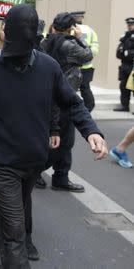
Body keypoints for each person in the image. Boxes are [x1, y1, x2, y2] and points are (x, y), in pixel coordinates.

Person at [0, 4, 107, 269]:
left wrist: (91, 131)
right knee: (15, 232)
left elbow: (72, 102)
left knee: (11, 218)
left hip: (33, 161)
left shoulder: (49, 67)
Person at [39, 12, 93, 192]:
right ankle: (36, 170)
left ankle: (61, 176)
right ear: (71, 27)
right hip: (63, 95)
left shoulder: (46, 41)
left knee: (61, 138)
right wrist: (80, 38)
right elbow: (87, 55)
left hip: (49, 94)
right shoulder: (69, 45)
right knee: (63, 140)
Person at [71, 11, 99, 112]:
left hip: (73, 66)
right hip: (87, 66)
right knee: (85, 88)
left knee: (71, 89)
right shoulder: (90, 30)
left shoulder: (71, 29)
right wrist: (88, 56)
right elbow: (95, 48)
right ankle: (89, 107)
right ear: (82, 17)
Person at [113, 17, 134, 112]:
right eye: (128, 25)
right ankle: (124, 106)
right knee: (123, 86)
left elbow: (128, 52)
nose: (130, 26)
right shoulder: (125, 36)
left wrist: (127, 53)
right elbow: (119, 52)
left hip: (133, 65)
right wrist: (125, 53)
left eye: (132, 24)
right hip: (125, 65)